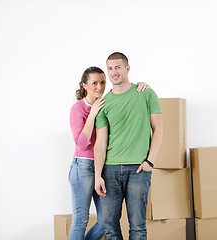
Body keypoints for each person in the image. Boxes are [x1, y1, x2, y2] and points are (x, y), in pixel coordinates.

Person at [69, 66, 150, 240]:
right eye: (94, 83)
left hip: (104, 166)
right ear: (84, 85)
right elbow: (82, 144)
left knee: (105, 221)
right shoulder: (78, 108)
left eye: (102, 82)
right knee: (81, 220)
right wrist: (93, 113)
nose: (99, 87)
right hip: (82, 166)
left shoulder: (108, 102)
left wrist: (140, 86)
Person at [94, 52, 163, 240]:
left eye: (118, 67)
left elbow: (159, 130)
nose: (114, 72)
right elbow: (100, 142)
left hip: (138, 169)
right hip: (110, 170)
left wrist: (150, 161)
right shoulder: (104, 103)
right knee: (109, 227)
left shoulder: (146, 93)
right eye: (110, 68)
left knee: (138, 227)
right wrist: (98, 175)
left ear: (127, 68)